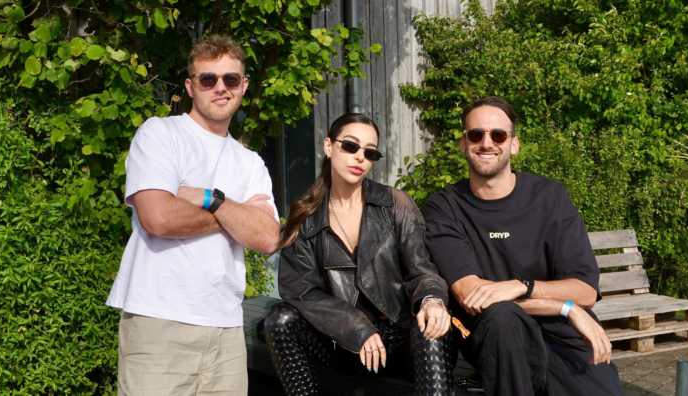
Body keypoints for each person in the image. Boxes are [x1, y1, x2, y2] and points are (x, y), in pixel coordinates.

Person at [105, 35, 281, 396]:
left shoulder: (250, 162)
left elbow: (267, 237)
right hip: (159, 321)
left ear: (244, 86)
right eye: (208, 79)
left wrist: (209, 199)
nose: (220, 87)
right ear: (190, 86)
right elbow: (159, 218)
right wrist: (238, 214)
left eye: (231, 79)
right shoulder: (160, 134)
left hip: (226, 329)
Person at [423, 96, 625, 396]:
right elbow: (471, 296)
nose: (487, 143)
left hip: (562, 335)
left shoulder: (549, 196)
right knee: (502, 318)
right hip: (497, 337)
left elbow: (585, 291)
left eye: (498, 135)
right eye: (476, 134)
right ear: (464, 144)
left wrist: (521, 287)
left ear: (513, 144)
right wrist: (565, 307)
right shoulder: (445, 207)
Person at [262, 113, 455, 396]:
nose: (360, 157)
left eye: (370, 151)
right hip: (345, 345)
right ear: (328, 147)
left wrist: (432, 300)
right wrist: (356, 328)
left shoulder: (395, 204)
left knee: (431, 323)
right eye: (350, 146)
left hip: (404, 341)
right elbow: (301, 292)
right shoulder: (305, 217)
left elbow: (421, 270)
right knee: (279, 320)